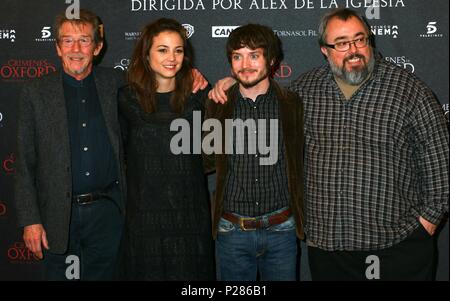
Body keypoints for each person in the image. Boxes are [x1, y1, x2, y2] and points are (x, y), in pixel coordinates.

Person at [209, 9, 449, 281]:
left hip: (396, 246)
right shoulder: (303, 91)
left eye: (360, 40)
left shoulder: (410, 90)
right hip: (329, 248)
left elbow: (441, 161)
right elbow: (259, 91)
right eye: (342, 43)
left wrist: (426, 224)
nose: (354, 50)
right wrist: (231, 84)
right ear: (325, 50)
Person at [15, 10, 208, 281]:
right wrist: (30, 220)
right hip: (56, 216)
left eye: (84, 41)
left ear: (98, 47)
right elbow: (24, 163)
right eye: (68, 41)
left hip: (109, 214)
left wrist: (194, 76)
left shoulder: (116, 85)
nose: (76, 49)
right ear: (58, 48)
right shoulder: (34, 93)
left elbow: (163, 80)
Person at [204, 24, 305, 281]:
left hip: (281, 230)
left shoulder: (292, 104)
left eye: (254, 55)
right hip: (232, 230)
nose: (244, 64)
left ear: (271, 60)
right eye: (237, 56)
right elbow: (205, 160)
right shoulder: (218, 104)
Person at [118, 18, 214, 281]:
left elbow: (215, 153)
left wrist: (226, 83)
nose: (171, 57)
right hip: (143, 217)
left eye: (178, 50)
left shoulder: (199, 98)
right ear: (146, 55)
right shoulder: (125, 100)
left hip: (190, 217)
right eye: (162, 49)